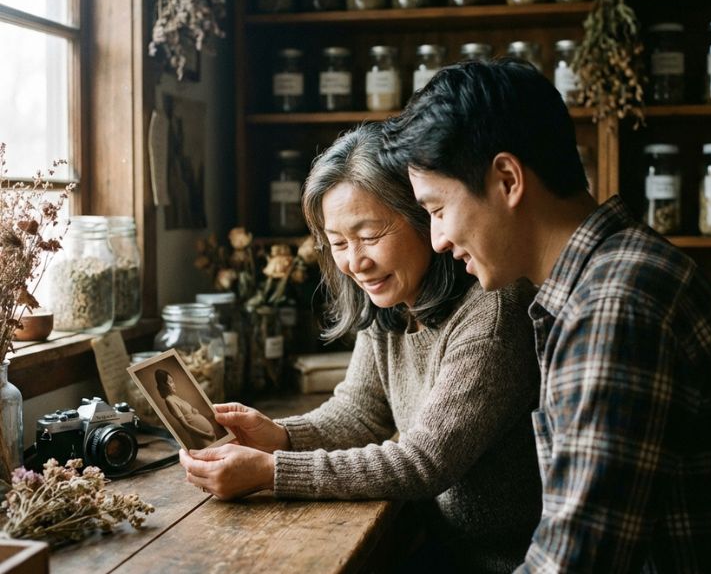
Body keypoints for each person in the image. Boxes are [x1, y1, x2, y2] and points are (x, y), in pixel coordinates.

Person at [381, 59, 711, 572]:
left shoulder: (613, 306)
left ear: (508, 179)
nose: (438, 240)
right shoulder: (607, 276)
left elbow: (573, 563)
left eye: (437, 210)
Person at [179, 122, 542, 573]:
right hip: (445, 550)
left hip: (509, 564)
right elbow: (360, 412)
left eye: (369, 236)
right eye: (338, 243)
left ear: (424, 216)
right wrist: (279, 437)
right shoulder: (392, 300)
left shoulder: (493, 311)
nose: (354, 262)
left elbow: (424, 462)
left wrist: (273, 471)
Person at [154, 368, 216, 449]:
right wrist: (207, 435)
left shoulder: (174, 397)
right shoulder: (169, 400)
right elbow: (186, 426)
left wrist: (193, 410)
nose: (174, 384)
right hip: (203, 437)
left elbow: (187, 413)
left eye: (173, 381)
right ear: (164, 385)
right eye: (170, 382)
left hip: (208, 435)